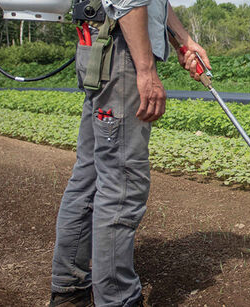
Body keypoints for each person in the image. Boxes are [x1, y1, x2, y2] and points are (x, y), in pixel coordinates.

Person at [48, 0, 209, 306]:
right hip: (121, 53)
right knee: (122, 183)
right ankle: (118, 299)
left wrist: (184, 40)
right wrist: (146, 70)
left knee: (90, 173)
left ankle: (69, 291)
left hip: (103, 47)